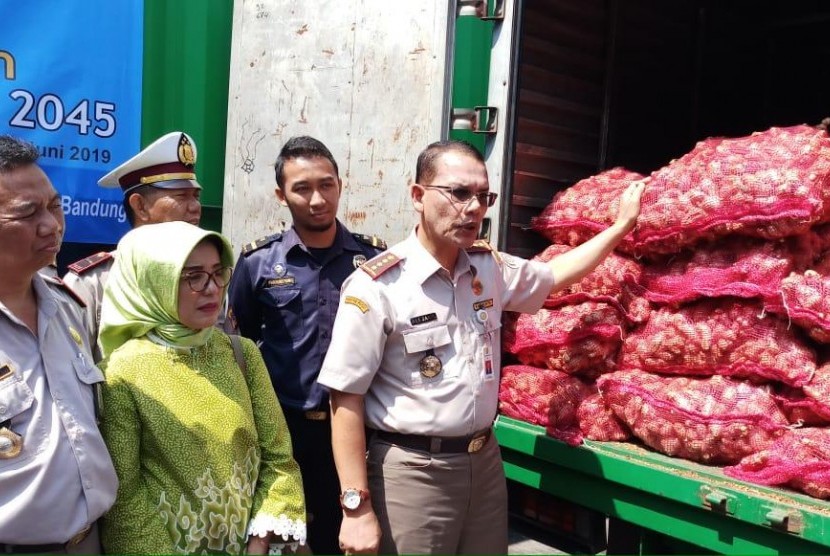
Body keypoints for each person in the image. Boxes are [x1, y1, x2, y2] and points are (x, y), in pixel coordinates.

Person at [317, 140, 645, 555]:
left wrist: (619, 229)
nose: (473, 208)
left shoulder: (486, 268)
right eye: (457, 193)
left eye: (482, 196)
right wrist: (355, 507)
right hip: (414, 472)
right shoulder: (379, 286)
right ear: (418, 196)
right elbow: (345, 398)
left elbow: (553, 276)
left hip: (483, 463)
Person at [97, 221, 307, 555]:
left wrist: (262, 540)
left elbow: (279, 458)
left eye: (217, 272)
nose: (212, 288)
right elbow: (126, 497)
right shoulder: (122, 372)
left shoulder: (241, 353)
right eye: (193, 276)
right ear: (155, 282)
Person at [226, 136, 385, 555]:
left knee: (351, 537)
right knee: (287, 538)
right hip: (284, 430)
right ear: (281, 195)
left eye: (327, 184)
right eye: (301, 188)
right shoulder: (258, 263)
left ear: (340, 184)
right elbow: (240, 347)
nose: (317, 199)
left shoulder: (372, 261)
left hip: (358, 429)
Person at [0, 135, 118, 553]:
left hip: (89, 540)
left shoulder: (67, 306)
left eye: (53, 205)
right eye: (28, 214)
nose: (51, 224)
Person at [63, 131, 203, 361]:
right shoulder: (92, 283)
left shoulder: (208, 276)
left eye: (196, 196)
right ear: (140, 206)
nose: (195, 207)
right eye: (181, 196)